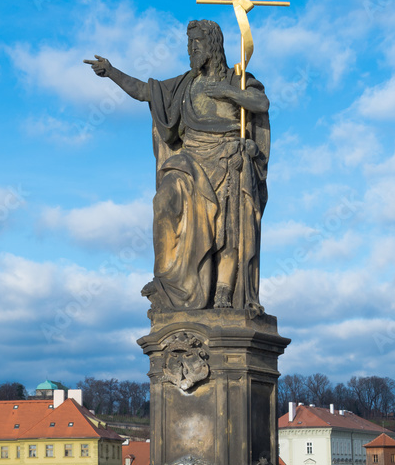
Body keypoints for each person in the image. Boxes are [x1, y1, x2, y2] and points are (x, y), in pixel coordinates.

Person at [84, 19, 270, 313]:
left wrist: (226, 92)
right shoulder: (185, 84)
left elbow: (260, 103)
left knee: (226, 229)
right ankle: (169, 282)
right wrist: (112, 73)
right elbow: (146, 91)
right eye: (188, 45)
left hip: (227, 158)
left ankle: (222, 291)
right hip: (190, 159)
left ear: (212, 46)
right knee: (165, 202)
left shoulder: (238, 80)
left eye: (195, 44)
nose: (190, 50)